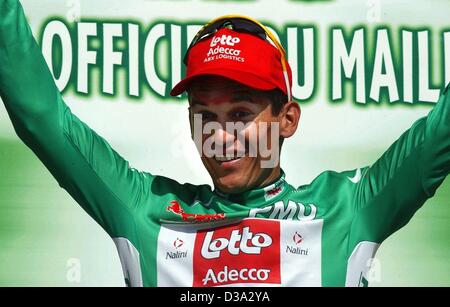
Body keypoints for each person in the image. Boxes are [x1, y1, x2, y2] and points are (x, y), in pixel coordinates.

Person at [0, 0, 449, 287]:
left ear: (287, 119)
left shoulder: (348, 208)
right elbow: (41, 116)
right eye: (204, 115)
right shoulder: (144, 209)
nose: (218, 136)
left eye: (239, 114)